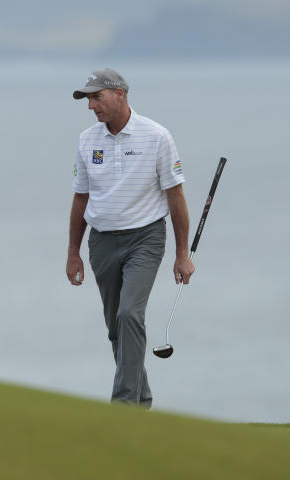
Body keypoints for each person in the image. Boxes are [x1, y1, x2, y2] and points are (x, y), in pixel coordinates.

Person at [66, 68, 194, 407]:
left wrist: (182, 254)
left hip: (145, 239)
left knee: (129, 316)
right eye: (88, 99)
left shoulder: (157, 136)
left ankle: (124, 406)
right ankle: (142, 398)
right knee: (116, 329)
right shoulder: (86, 140)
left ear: (120, 94)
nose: (91, 105)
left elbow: (175, 196)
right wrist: (73, 252)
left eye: (97, 97)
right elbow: (80, 198)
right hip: (102, 242)